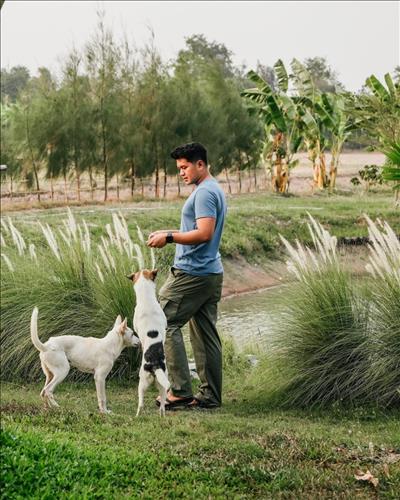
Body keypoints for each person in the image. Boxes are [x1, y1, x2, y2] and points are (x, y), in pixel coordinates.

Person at [147, 142, 227, 409]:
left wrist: (169, 237)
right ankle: (211, 397)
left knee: (163, 322)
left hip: (192, 273)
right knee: (206, 336)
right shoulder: (212, 189)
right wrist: (169, 232)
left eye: (184, 167)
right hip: (210, 272)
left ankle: (180, 392)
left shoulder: (204, 193)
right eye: (178, 168)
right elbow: (199, 229)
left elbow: (204, 233)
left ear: (200, 164)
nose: (181, 173)